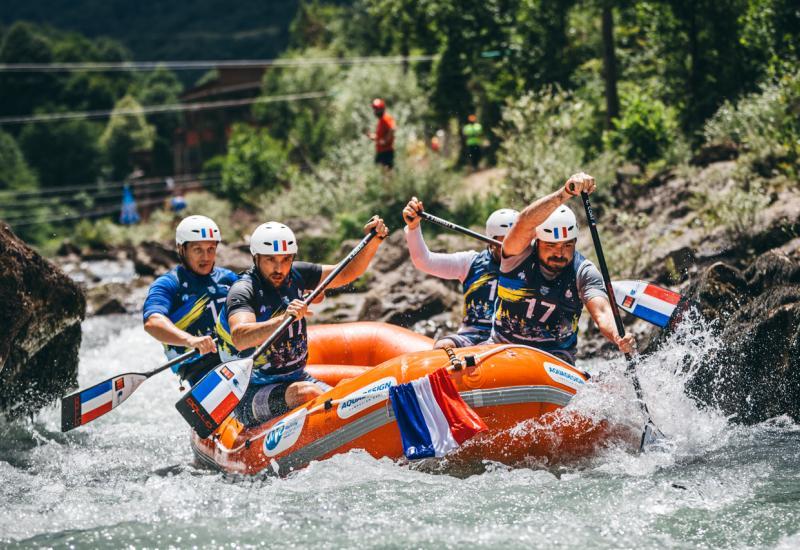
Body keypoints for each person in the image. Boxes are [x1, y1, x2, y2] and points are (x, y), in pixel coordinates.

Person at [216, 216, 389, 426]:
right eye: (271, 260)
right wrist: (284, 319)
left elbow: (346, 273)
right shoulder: (244, 290)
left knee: (349, 396)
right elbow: (241, 336)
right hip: (249, 393)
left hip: (297, 378)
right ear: (256, 258)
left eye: (286, 259)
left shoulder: (296, 275)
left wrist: (375, 241)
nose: (279, 268)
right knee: (307, 393)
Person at [491, 172, 635, 365]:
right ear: (538, 242)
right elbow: (524, 222)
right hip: (502, 349)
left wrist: (618, 336)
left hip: (554, 360)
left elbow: (602, 312)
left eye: (567, 245)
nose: (559, 253)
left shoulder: (583, 272)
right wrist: (565, 193)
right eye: (551, 246)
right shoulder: (516, 255)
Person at [403, 196, 519, 349]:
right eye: (504, 241)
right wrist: (414, 228)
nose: (511, 248)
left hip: (508, 341)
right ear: (491, 241)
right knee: (443, 345)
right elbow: (423, 261)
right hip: (470, 338)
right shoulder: (470, 262)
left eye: (516, 242)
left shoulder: (531, 266)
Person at [143, 215, 237, 385]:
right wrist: (190, 340)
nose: (206, 257)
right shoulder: (169, 283)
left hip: (238, 356)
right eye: (198, 250)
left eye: (211, 249)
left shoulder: (229, 278)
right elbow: (152, 322)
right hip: (200, 368)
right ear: (181, 249)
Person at [367, 98, 395, 169]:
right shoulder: (381, 121)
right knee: (378, 172)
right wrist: (371, 136)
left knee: (387, 174)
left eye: (376, 109)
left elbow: (392, 129)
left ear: (382, 109)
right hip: (380, 152)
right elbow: (379, 137)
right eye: (374, 109)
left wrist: (385, 140)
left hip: (387, 152)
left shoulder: (386, 118)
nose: (375, 111)